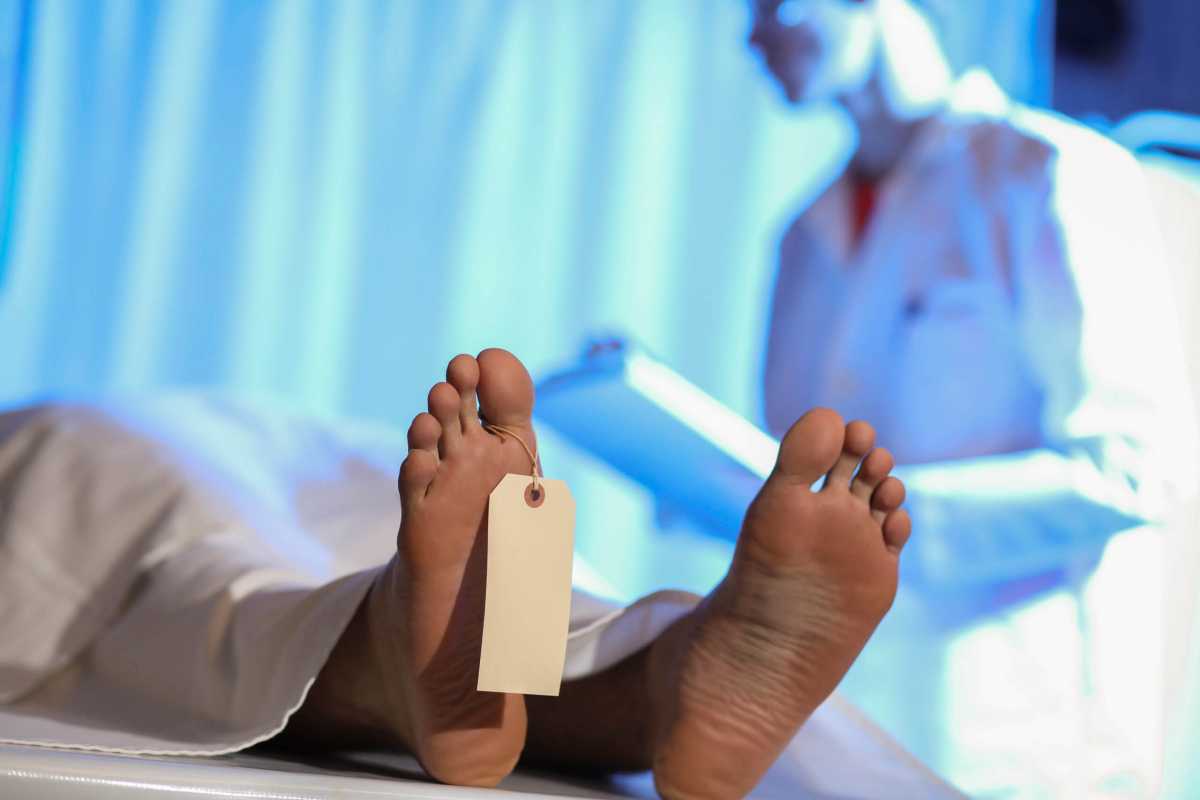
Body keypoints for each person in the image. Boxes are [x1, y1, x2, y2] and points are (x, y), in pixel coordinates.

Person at [0, 349, 932, 798]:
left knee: (203, 591)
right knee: (541, 609)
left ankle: (392, 658)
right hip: (324, 460)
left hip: (91, 456)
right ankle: (663, 675)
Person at [747, 0, 1197, 788]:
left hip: (1011, 728)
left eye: (770, 3)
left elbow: (1133, 470)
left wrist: (886, 517)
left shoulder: (1049, 171)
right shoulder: (802, 236)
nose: (753, 37)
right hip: (824, 711)